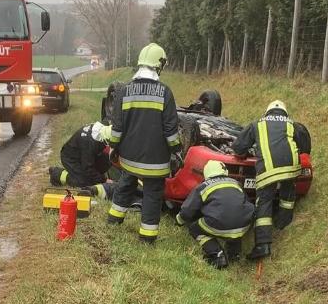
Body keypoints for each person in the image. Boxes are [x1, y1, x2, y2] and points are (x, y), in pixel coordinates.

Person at [107, 43, 181, 244]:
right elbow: (171, 131)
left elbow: (117, 127)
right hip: (155, 161)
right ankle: (146, 238)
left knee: (125, 184)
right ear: (158, 66)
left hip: (129, 158)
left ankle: (114, 219)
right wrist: (177, 151)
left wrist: (114, 148)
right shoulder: (165, 93)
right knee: (152, 194)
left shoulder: (124, 90)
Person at [231, 100, 310, 259]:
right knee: (287, 196)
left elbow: (239, 148)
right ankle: (283, 224)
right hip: (292, 167)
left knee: (264, 202)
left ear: (267, 113)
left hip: (268, 170)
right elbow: (306, 148)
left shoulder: (257, 124)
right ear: (284, 113)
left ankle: (262, 245)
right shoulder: (293, 124)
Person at [175, 160, 255, 269]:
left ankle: (217, 254)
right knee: (234, 224)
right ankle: (234, 255)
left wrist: (178, 221)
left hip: (221, 224)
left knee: (195, 228)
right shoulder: (235, 183)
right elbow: (245, 203)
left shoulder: (203, 187)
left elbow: (188, 211)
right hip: (244, 225)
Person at [49, 121, 115, 199]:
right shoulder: (89, 144)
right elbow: (88, 168)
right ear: (105, 140)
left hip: (83, 155)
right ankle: (56, 174)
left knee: (108, 160)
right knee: (84, 181)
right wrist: (104, 180)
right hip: (70, 158)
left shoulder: (102, 131)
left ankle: (94, 178)